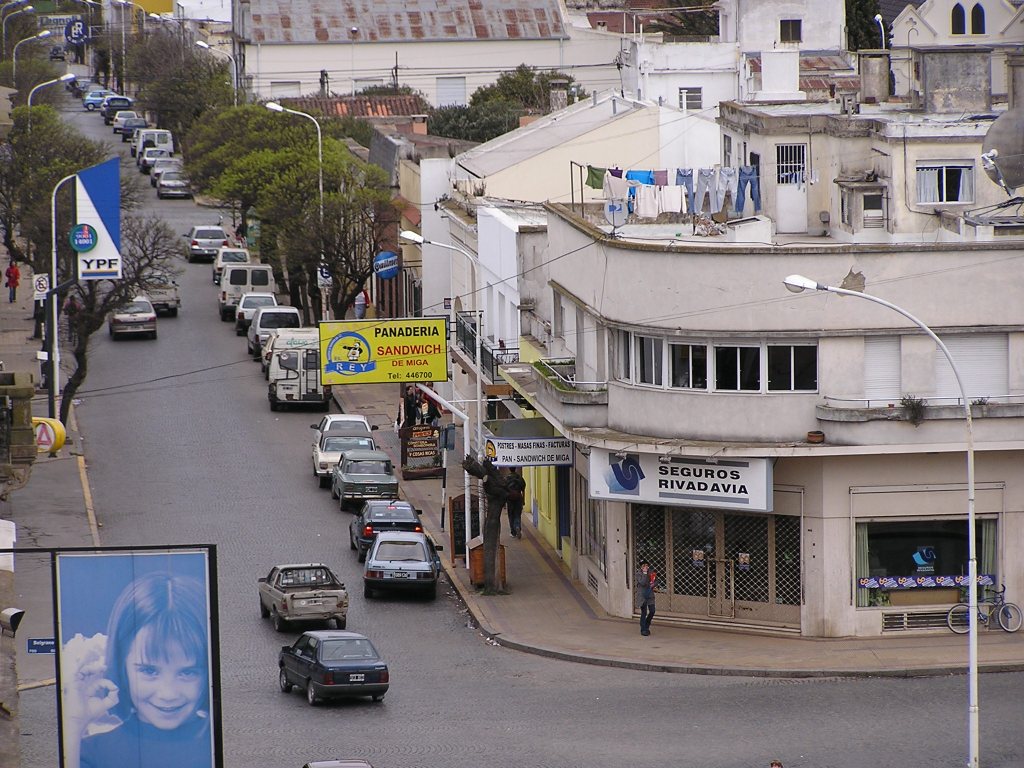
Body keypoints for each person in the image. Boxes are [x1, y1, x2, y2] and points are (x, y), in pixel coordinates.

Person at [65, 572, 213, 768]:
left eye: (187, 673)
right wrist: (74, 725)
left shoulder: (221, 743)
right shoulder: (89, 753)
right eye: (149, 671)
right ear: (121, 663)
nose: (167, 694)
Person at [505, 467, 527, 538]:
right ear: (515, 469)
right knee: (517, 514)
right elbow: (523, 489)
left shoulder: (506, 479)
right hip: (518, 498)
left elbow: (504, 490)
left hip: (510, 499)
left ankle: (513, 532)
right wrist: (523, 500)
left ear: (509, 469)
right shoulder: (519, 478)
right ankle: (517, 526)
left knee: (511, 515)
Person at [636, 560, 656, 636]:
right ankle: (643, 629)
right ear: (641, 567)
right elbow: (642, 582)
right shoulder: (639, 574)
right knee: (644, 612)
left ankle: (647, 625)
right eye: (644, 566)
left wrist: (653, 584)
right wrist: (644, 573)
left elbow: (657, 581)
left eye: (647, 565)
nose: (646, 567)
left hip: (650, 595)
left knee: (652, 611)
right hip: (642, 596)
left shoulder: (651, 572)